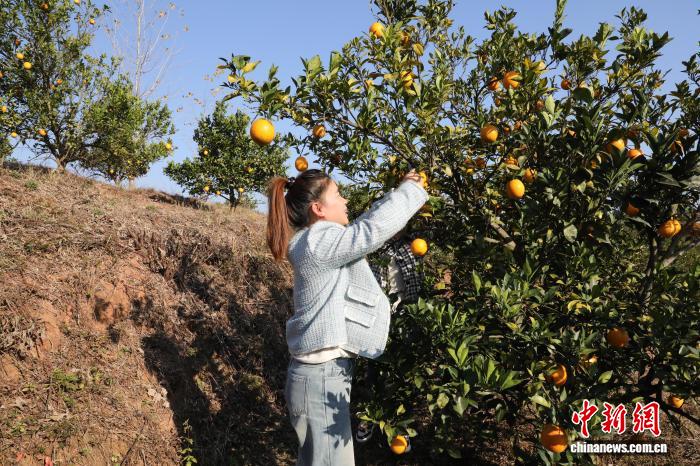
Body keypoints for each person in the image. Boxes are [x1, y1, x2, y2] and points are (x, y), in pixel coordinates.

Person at [266, 168, 428, 465]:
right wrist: (409, 190)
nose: (346, 200)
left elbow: (363, 225)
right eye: (338, 195)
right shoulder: (318, 243)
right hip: (320, 379)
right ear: (319, 209)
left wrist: (395, 193)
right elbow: (370, 231)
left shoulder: (314, 241)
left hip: (319, 377)